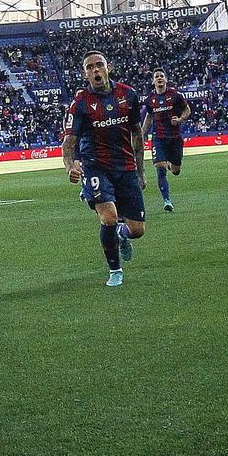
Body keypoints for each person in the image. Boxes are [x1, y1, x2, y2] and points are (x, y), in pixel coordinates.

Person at [65, 52, 147, 287]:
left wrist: (140, 172)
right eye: (90, 67)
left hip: (125, 166)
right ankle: (115, 270)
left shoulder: (128, 94)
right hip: (96, 167)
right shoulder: (80, 102)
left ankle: (123, 235)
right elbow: (69, 141)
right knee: (109, 217)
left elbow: (137, 134)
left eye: (99, 65)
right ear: (85, 73)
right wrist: (70, 165)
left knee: (138, 229)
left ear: (107, 67)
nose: (95, 70)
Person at [140, 70, 189, 213]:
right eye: (156, 77)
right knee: (159, 168)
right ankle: (167, 200)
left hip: (174, 138)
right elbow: (149, 117)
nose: (159, 78)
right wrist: (142, 134)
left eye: (161, 76)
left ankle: (170, 164)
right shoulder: (150, 99)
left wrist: (180, 119)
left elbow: (187, 110)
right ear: (153, 81)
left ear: (166, 79)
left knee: (176, 170)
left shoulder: (175, 96)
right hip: (158, 138)